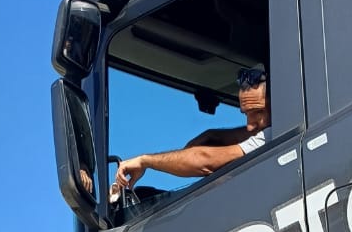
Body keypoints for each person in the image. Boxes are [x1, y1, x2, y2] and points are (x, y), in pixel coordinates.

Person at [114, 65, 271, 192]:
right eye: (246, 114)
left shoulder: (274, 132)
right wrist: (210, 136)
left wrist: (145, 161)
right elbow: (236, 136)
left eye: (258, 112)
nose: (250, 125)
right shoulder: (269, 128)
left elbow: (204, 160)